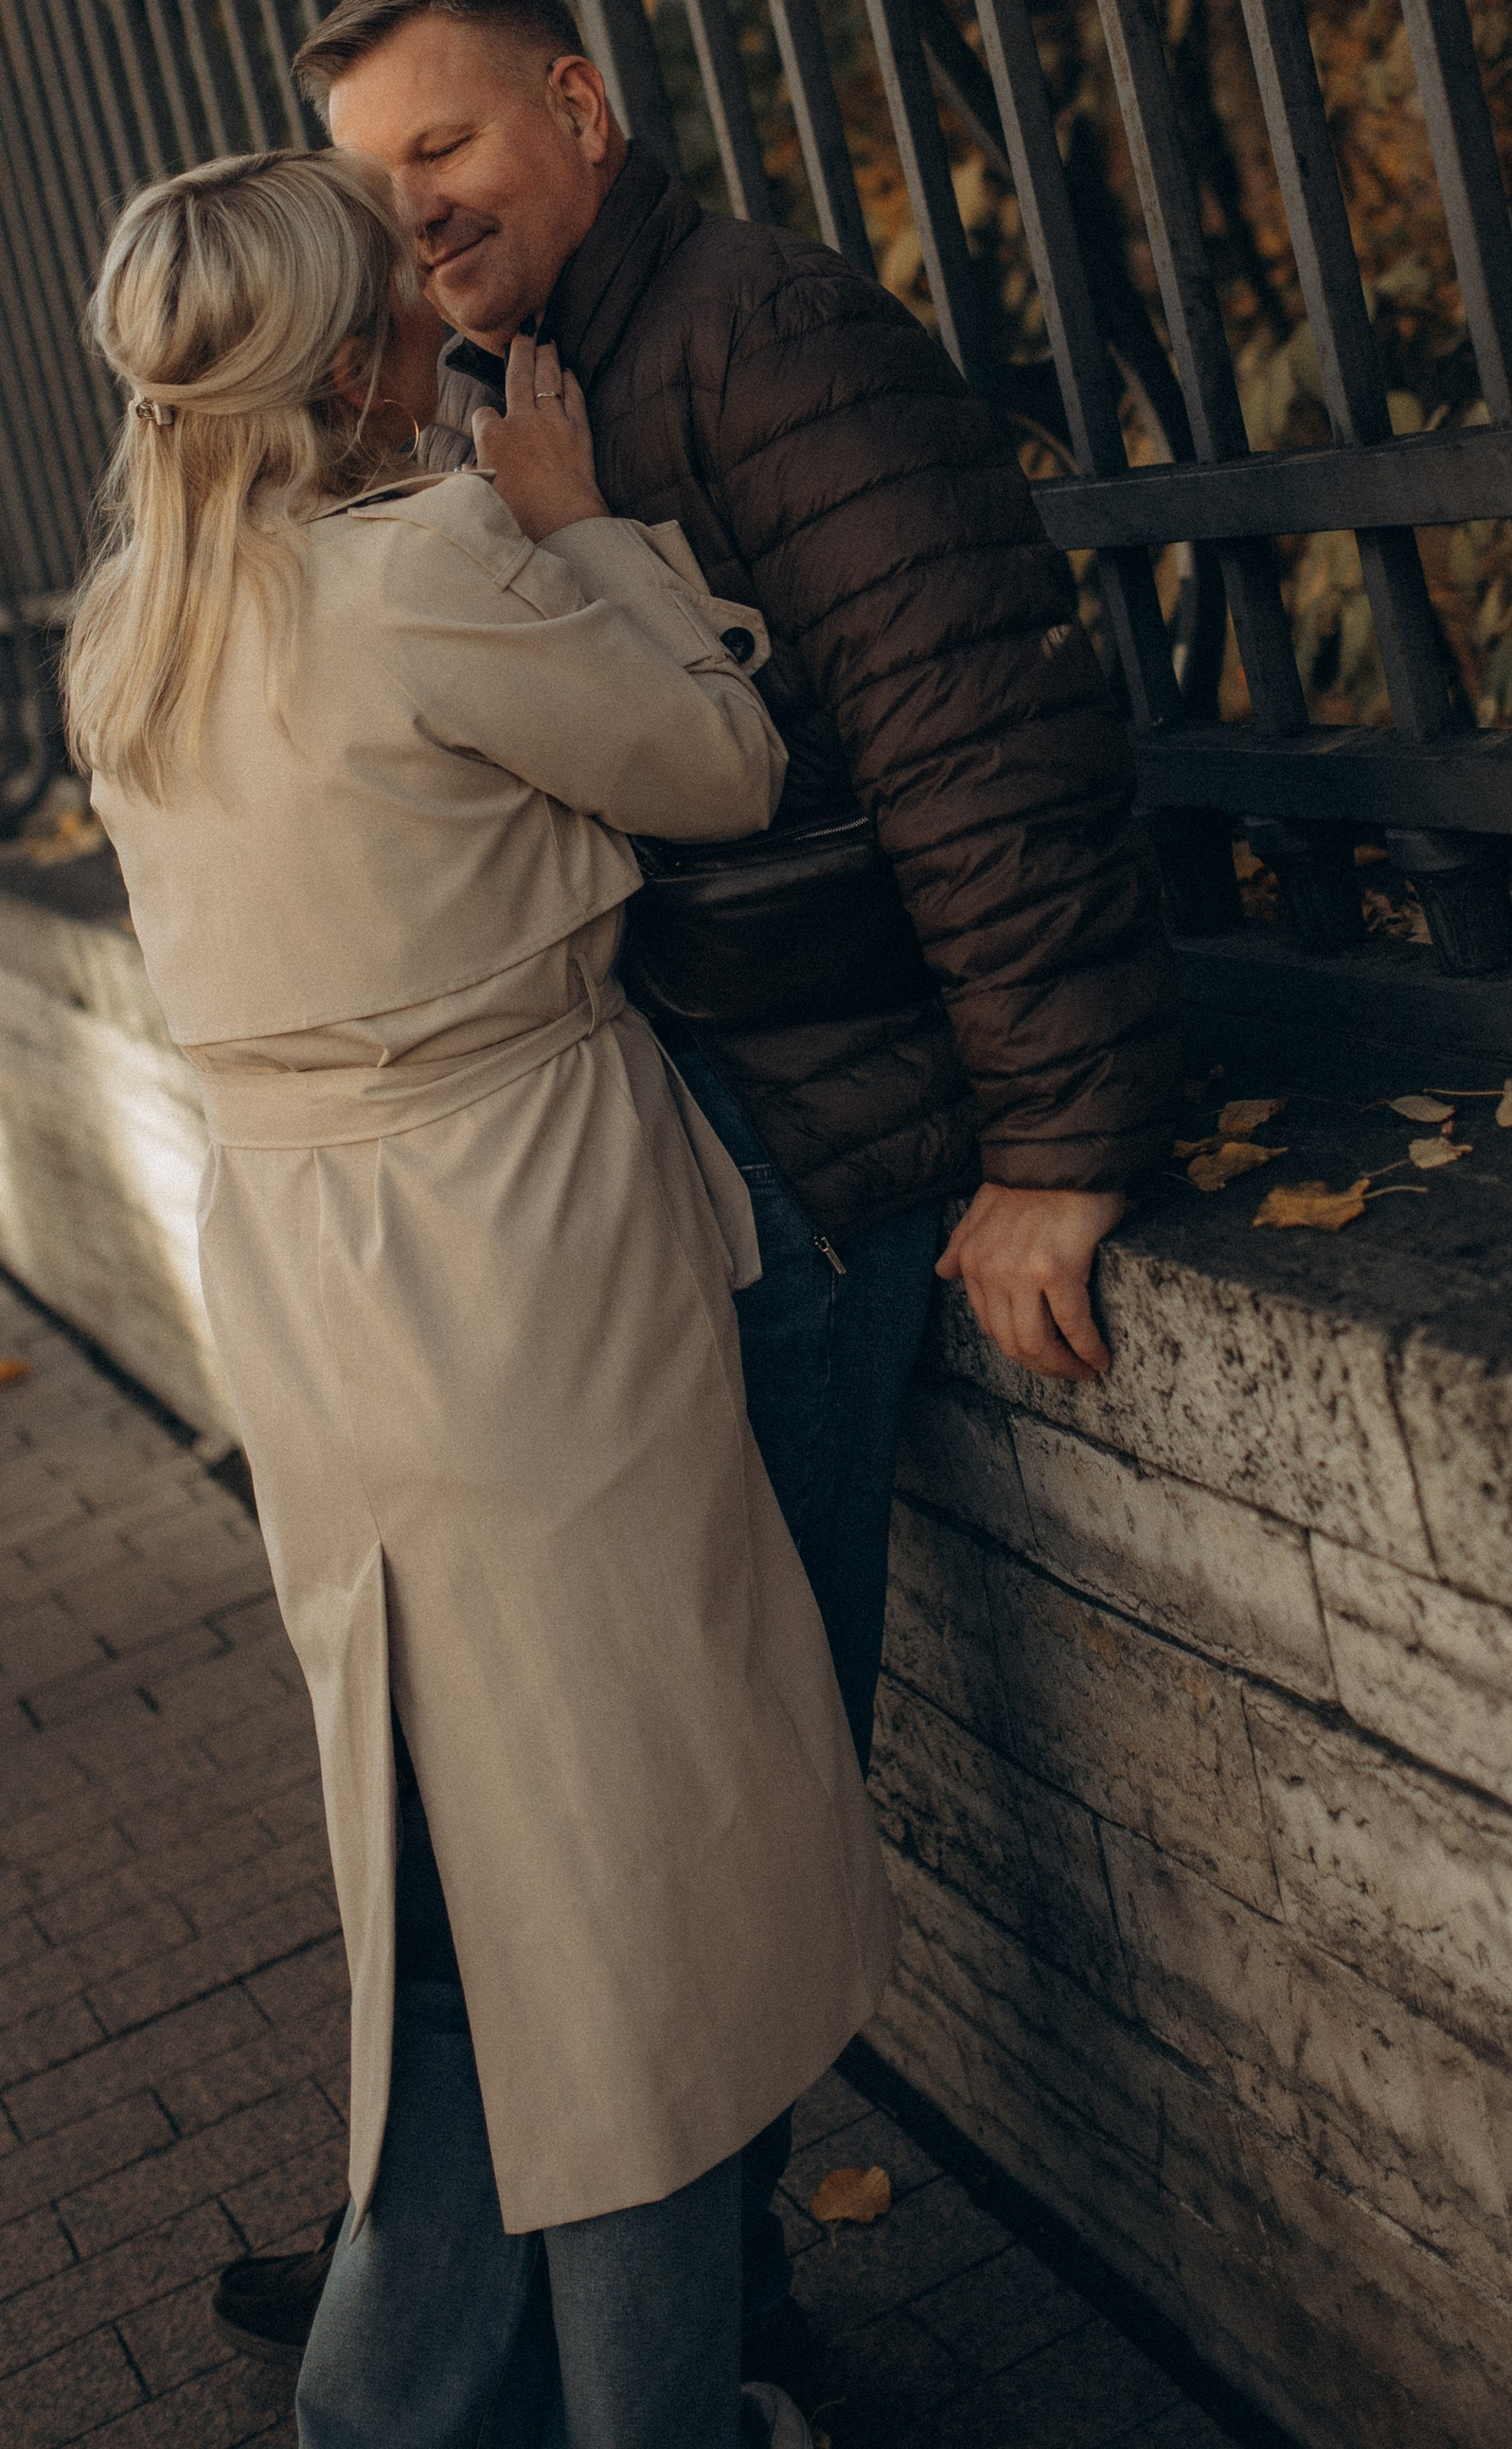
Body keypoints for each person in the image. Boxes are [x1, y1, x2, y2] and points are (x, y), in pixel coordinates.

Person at [205, 0, 1181, 2386]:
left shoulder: (757, 339)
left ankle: (619, 2305)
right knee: (592, 1810)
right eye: (370, 182)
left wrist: (1053, 1142)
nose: (410, 215)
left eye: (443, 152)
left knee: (668, 1815)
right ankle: (494, 2281)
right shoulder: (486, 399)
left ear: (577, 108)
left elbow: (971, 733)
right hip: (649, 1145)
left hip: (822, 1146)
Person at [71, 148, 891, 2449]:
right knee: (626, 1904)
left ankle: (390, 2403)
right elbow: (720, 764)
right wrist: (579, 525)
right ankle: (664, 2420)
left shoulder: (131, 635)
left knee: (441, 1898)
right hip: (519, 1266)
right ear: (355, 361)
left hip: (315, 1306)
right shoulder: (426, 570)